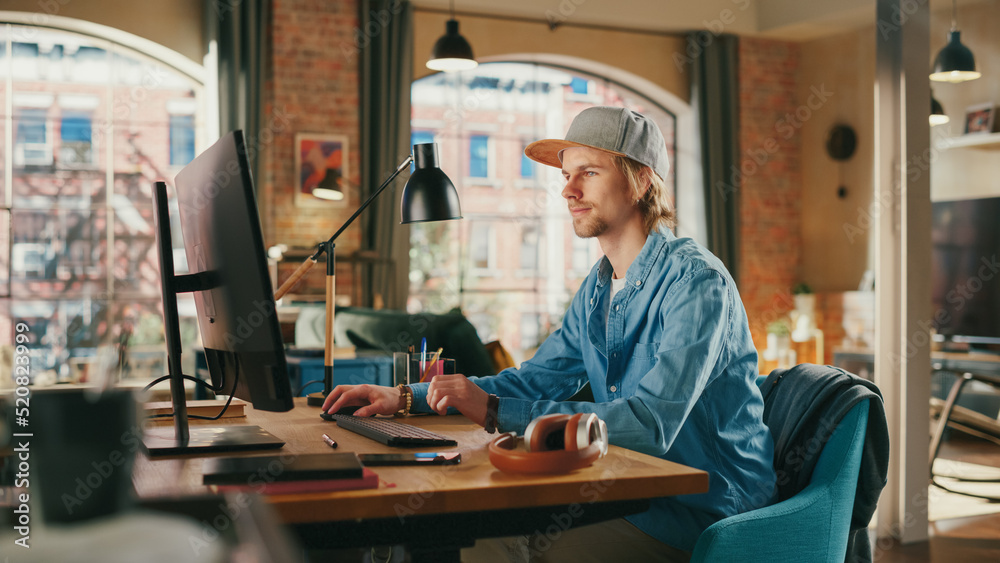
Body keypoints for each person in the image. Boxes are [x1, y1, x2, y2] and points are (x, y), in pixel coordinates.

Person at [323, 106, 776, 561]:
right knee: (473, 534)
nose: (568, 190)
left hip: (705, 515)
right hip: (627, 493)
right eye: (566, 174)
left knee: (493, 542)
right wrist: (404, 397)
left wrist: (495, 409)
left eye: (589, 172)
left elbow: (649, 425)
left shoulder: (695, 283)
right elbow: (533, 380)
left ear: (641, 181)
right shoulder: (598, 288)